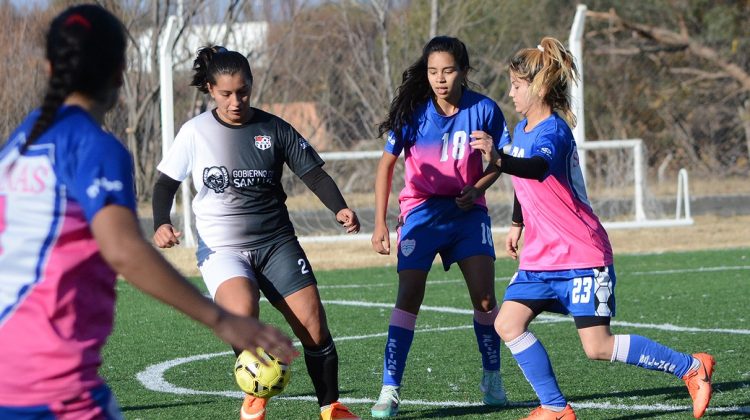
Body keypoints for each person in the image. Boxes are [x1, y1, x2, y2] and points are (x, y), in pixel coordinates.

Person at [0, 5, 298, 420]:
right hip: (51, 383)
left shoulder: (20, 142)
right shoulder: (95, 147)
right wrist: (223, 321)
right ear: (121, 70)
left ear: (50, 67)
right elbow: (123, 249)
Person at [469, 36, 715, 420]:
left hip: (581, 255)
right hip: (540, 257)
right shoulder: (521, 131)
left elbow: (536, 167)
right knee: (507, 322)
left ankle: (691, 368)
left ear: (541, 87)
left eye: (517, 85)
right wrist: (517, 222)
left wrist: (497, 157)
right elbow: (525, 179)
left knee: (597, 346)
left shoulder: (554, 131)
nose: (511, 92)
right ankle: (554, 408)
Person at [152, 45, 361, 420]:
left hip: (276, 243)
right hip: (222, 249)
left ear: (251, 85)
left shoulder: (274, 128)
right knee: (243, 315)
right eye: (226, 93)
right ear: (211, 91)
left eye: (243, 91)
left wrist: (340, 207)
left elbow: (312, 173)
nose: (236, 101)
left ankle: (331, 407)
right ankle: (255, 397)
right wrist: (161, 223)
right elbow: (165, 184)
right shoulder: (195, 132)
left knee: (313, 325)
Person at [369, 36, 510, 418]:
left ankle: (492, 377)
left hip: (468, 215)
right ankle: (390, 389)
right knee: (409, 295)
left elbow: (501, 162)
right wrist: (380, 222)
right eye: (433, 71)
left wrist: (478, 185)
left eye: (448, 70)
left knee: (484, 299)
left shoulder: (484, 110)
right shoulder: (413, 112)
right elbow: (385, 166)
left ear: (463, 71)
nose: (440, 79)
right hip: (420, 213)